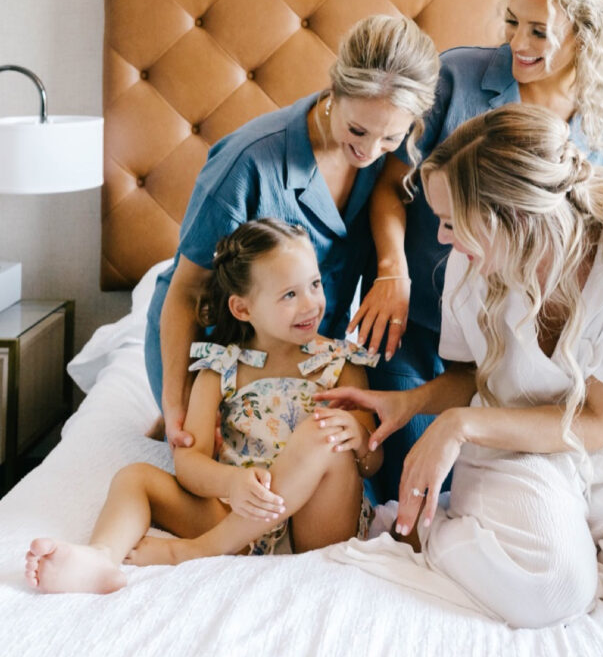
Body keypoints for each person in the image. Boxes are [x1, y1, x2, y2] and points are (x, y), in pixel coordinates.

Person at [323, 104, 603, 629]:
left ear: (513, 217)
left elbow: (599, 423)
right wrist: (411, 403)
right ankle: (445, 534)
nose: (442, 239)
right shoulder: (471, 257)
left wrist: (460, 425)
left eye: (449, 221)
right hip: (513, 452)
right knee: (550, 590)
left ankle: (574, 551)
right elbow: (469, 375)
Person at [349, 0, 603, 502]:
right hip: (420, 329)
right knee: (415, 483)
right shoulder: (457, 79)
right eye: (512, 22)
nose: (517, 44)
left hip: (519, 355)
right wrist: (392, 272)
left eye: (538, 32)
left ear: (586, 36)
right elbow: (387, 189)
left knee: (505, 494)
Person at [26, 220, 380, 593]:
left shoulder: (341, 363)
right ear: (242, 309)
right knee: (134, 477)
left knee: (322, 432)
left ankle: (196, 551)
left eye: (314, 284)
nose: (310, 303)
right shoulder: (219, 369)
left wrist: (359, 436)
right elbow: (189, 464)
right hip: (237, 521)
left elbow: (373, 463)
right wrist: (233, 482)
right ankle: (100, 556)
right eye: (289, 295)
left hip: (316, 526)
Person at [144, 15, 440, 449]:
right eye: (357, 130)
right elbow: (187, 291)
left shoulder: (391, 164)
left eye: (390, 138)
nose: (369, 151)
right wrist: (177, 406)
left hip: (308, 354)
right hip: (211, 352)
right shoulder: (248, 163)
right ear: (334, 91)